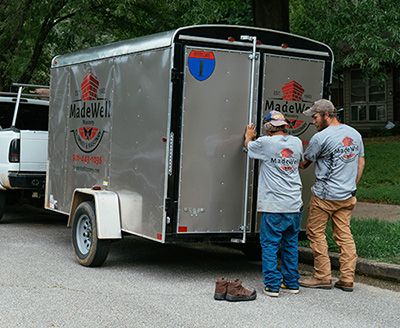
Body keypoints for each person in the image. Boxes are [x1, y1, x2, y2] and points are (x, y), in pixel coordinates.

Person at [298, 99, 365, 292]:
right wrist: (351, 186)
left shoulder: (321, 138)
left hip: (324, 197)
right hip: (346, 196)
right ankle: (347, 279)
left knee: (316, 232)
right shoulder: (354, 134)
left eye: (315, 117)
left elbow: (304, 164)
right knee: (344, 236)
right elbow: (360, 163)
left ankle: (322, 276)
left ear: (327, 115)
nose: (313, 121)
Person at [245, 110, 304, 297]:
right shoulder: (296, 142)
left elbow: (248, 147)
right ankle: (292, 283)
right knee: (291, 244)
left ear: (267, 127)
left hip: (274, 205)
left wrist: (248, 136)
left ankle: (272, 286)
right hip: (295, 203)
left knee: (270, 244)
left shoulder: (265, 143)